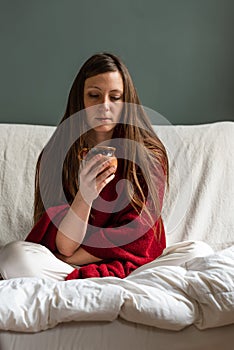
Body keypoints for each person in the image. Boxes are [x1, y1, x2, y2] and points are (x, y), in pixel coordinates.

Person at [0, 52, 213, 282]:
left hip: (130, 263)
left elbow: (139, 235)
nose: (105, 106)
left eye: (115, 97)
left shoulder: (149, 155)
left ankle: (82, 281)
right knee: (14, 256)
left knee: (198, 253)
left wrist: (73, 259)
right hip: (66, 259)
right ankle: (110, 284)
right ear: (79, 100)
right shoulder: (55, 155)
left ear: (126, 101)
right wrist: (85, 196)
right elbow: (64, 243)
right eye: (94, 95)